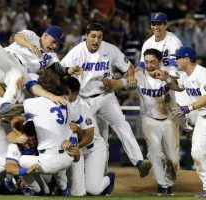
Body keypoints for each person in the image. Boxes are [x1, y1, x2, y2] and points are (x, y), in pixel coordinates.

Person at [0, 12, 82, 120]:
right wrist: (31, 45)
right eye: (54, 41)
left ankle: (5, 106)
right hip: (6, 59)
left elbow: (57, 68)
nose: (54, 46)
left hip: (15, 73)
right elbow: (17, 37)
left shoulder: (51, 55)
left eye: (57, 44)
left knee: (20, 76)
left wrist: (69, 70)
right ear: (45, 35)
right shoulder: (32, 36)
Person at [60, 22, 151, 178]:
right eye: (93, 36)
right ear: (86, 36)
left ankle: (139, 161)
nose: (96, 40)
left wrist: (128, 75)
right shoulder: (76, 52)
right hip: (84, 100)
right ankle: (101, 177)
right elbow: (60, 71)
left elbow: (128, 67)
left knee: (122, 124)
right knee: (98, 139)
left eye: (99, 37)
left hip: (106, 96)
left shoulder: (109, 49)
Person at [102, 49, 180, 196]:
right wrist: (110, 82)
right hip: (149, 120)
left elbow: (179, 87)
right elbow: (120, 83)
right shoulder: (139, 75)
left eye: (153, 61)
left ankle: (168, 183)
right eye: (147, 61)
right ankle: (162, 187)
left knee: (173, 158)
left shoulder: (169, 72)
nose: (149, 65)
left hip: (169, 119)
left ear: (160, 61)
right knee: (156, 153)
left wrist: (167, 79)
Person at [157, 46, 206, 197]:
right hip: (203, 118)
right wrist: (166, 79)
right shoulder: (185, 75)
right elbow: (178, 88)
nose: (175, 60)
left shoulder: (202, 73)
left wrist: (190, 107)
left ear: (186, 59)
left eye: (177, 58)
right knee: (197, 153)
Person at [63, 76, 115, 196]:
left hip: (93, 148)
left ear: (75, 93)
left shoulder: (83, 107)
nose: (63, 94)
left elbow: (89, 136)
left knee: (93, 190)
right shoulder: (61, 102)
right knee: (74, 190)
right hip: (76, 150)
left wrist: (76, 147)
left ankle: (110, 178)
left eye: (66, 92)